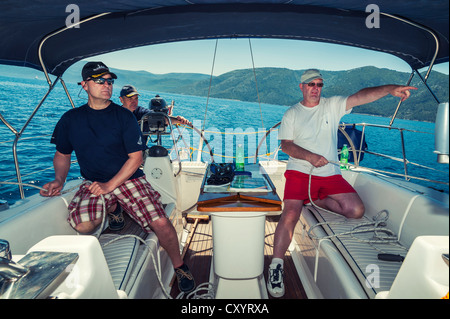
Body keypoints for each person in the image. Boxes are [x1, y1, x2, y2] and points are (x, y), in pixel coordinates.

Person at [40, 61, 195, 293]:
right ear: (84, 85)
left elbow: (136, 158)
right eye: (99, 80)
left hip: (128, 179)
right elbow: (62, 154)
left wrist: (109, 186)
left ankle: (180, 265)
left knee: (161, 223)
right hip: (94, 182)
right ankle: (114, 209)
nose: (106, 85)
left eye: (109, 81)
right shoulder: (70, 119)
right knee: (83, 226)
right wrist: (59, 180)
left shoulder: (124, 117)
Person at [267, 68, 417, 298]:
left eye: (319, 84)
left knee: (356, 210)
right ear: (302, 87)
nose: (315, 88)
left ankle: (314, 198)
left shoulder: (332, 105)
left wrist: (389, 90)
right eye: (311, 84)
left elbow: (362, 95)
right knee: (290, 213)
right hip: (300, 172)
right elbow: (286, 145)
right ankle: (276, 265)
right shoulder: (292, 113)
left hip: (329, 174)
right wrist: (309, 156)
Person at [119, 85, 191, 146]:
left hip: (139, 153)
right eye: (130, 99)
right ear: (121, 100)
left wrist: (179, 120)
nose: (134, 102)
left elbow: (161, 118)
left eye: (136, 98)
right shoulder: (114, 115)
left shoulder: (142, 113)